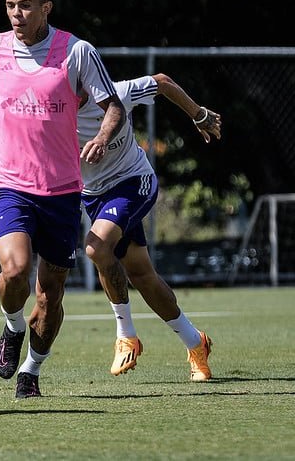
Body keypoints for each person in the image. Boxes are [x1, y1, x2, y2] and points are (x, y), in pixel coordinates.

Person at [0, 0, 127, 399]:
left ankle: (31, 371)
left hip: (62, 190)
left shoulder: (77, 52)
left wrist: (101, 138)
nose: (16, 13)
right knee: (14, 271)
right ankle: (13, 327)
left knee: (50, 295)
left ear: (46, 7)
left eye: (26, 5)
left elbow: (113, 106)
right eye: (10, 5)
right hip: (8, 184)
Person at [79, 73, 221, 381]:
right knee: (142, 275)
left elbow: (163, 82)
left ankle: (126, 335)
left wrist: (198, 114)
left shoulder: (117, 94)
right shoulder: (52, 114)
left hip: (134, 182)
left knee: (97, 246)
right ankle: (196, 343)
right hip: (94, 196)